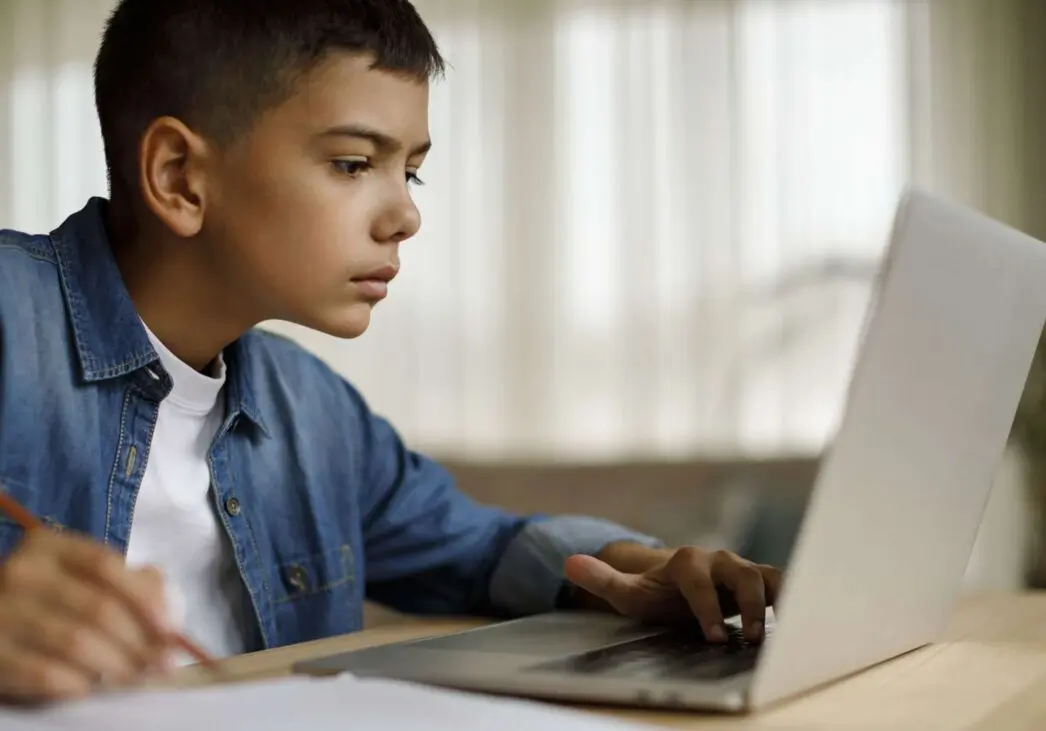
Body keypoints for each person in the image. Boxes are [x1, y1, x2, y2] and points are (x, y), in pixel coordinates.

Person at [0, 0, 781, 702]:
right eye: (352, 163)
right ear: (179, 177)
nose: (406, 214)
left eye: (411, 170)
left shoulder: (312, 409)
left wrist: (640, 568)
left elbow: (485, 548)